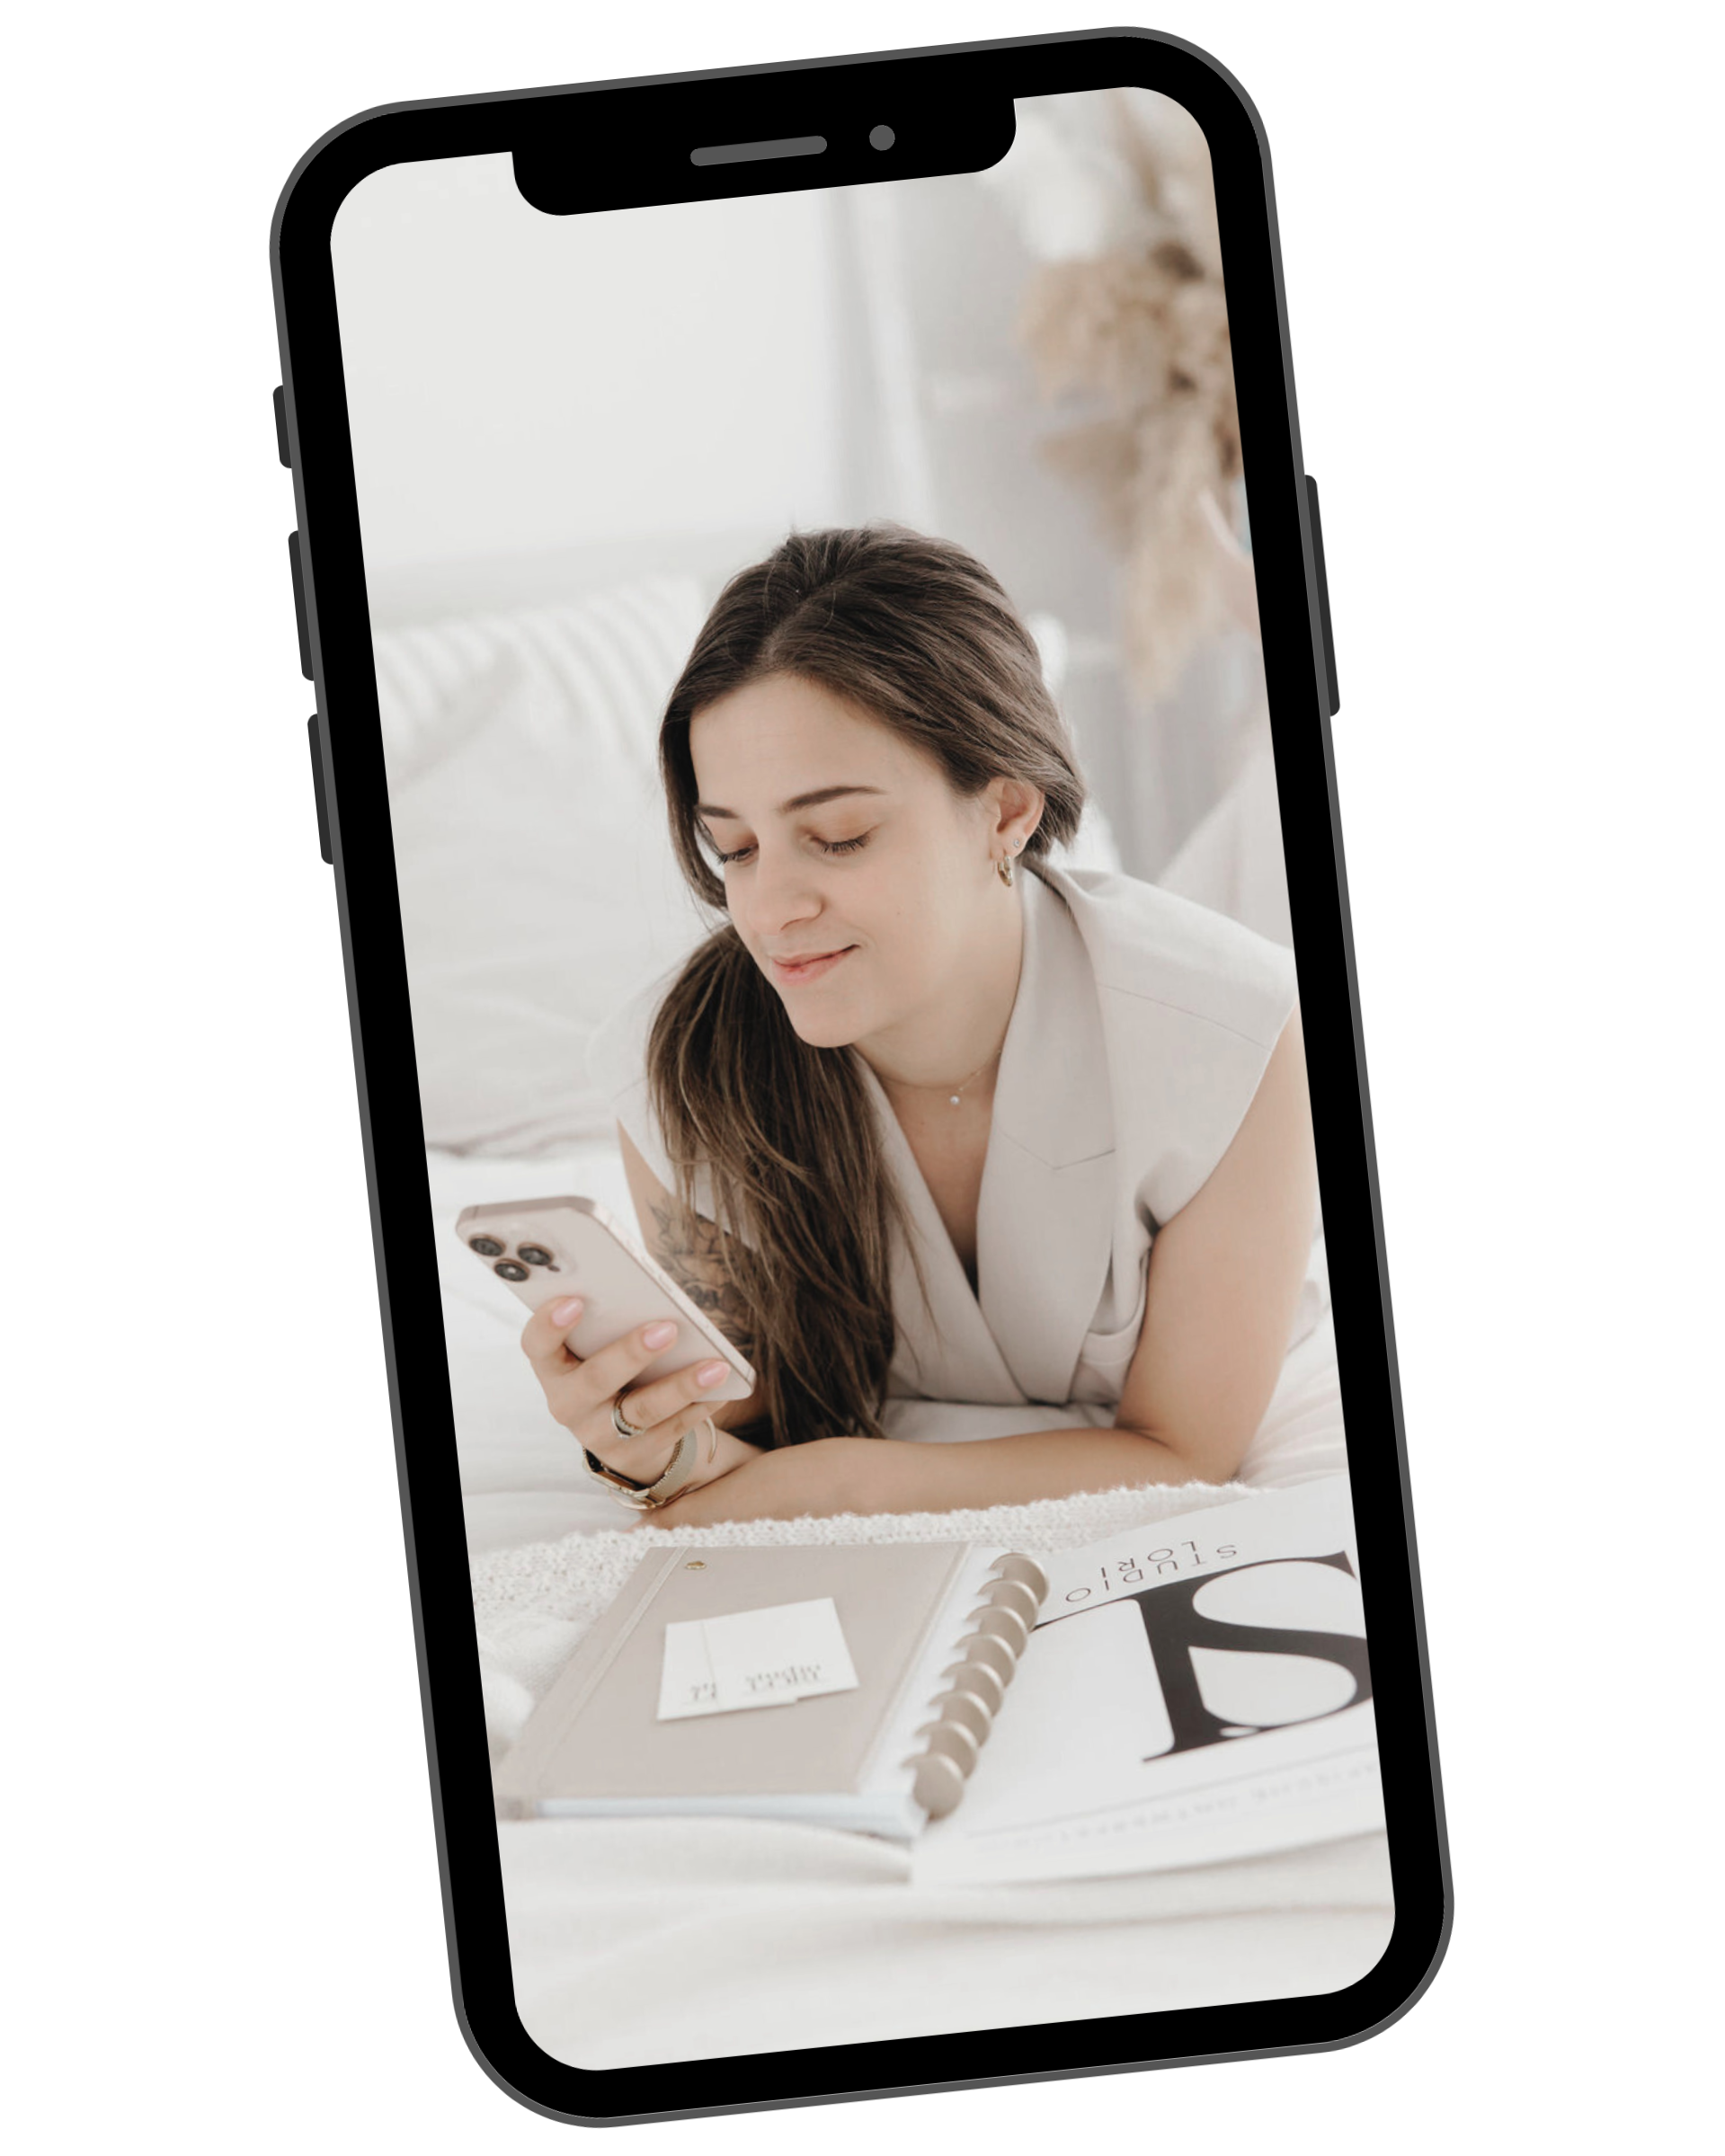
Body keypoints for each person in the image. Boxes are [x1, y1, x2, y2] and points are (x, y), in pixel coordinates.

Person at [519, 525, 1328, 1528]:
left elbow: (1182, 1448)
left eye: (838, 836)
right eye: (733, 847)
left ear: (1005, 812)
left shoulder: (1234, 1033)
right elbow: (748, 1428)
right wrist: (646, 1442)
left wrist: (841, 1482)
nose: (768, 911)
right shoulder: (677, 1066)